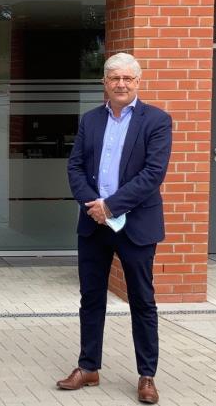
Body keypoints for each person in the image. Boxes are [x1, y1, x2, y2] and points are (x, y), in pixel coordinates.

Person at [57, 52, 172, 405]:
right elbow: (75, 166)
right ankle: (88, 366)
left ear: (138, 82)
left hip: (135, 224)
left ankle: (147, 375)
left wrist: (111, 206)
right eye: (114, 78)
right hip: (94, 225)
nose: (121, 84)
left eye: (128, 79)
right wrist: (94, 205)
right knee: (91, 298)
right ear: (104, 83)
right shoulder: (91, 120)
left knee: (142, 300)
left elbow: (153, 174)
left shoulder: (157, 121)